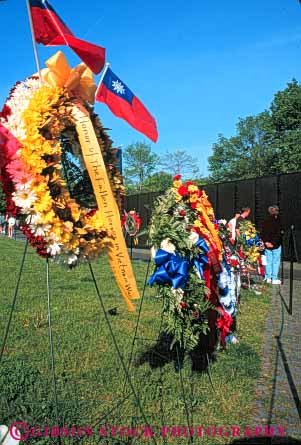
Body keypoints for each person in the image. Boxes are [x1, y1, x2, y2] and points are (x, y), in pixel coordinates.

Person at [260, 205, 282, 285]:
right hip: (275, 245)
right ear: (277, 211)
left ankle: (268, 277)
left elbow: (262, 233)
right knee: (275, 261)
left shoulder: (265, 221)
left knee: (268, 261)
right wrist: (273, 243)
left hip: (267, 245)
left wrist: (266, 242)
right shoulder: (278, 221)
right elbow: (279, 234)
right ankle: (274, 278)